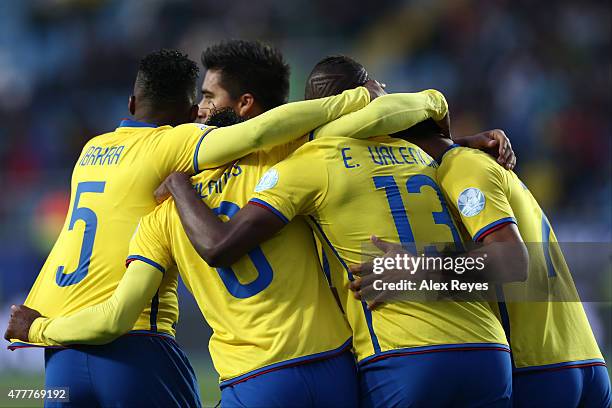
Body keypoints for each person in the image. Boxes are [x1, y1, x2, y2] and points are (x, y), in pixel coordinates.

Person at [5, 84, 456, 407]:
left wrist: (40, 330)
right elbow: (517, 268)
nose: (201, 111)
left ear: (244, 106)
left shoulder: (293, 173)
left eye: (207, 98)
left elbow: (219, 246)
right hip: (462, 359)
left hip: (357, 368)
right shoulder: (459, 168)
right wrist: (441, 124)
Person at [143, 56, 521, 407]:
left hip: (403, 356)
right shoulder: (426, 155)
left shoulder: (308, 163)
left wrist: (410, 273)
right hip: (488, 354)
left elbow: (222, 245)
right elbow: (516, 267)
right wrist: (461, 143)